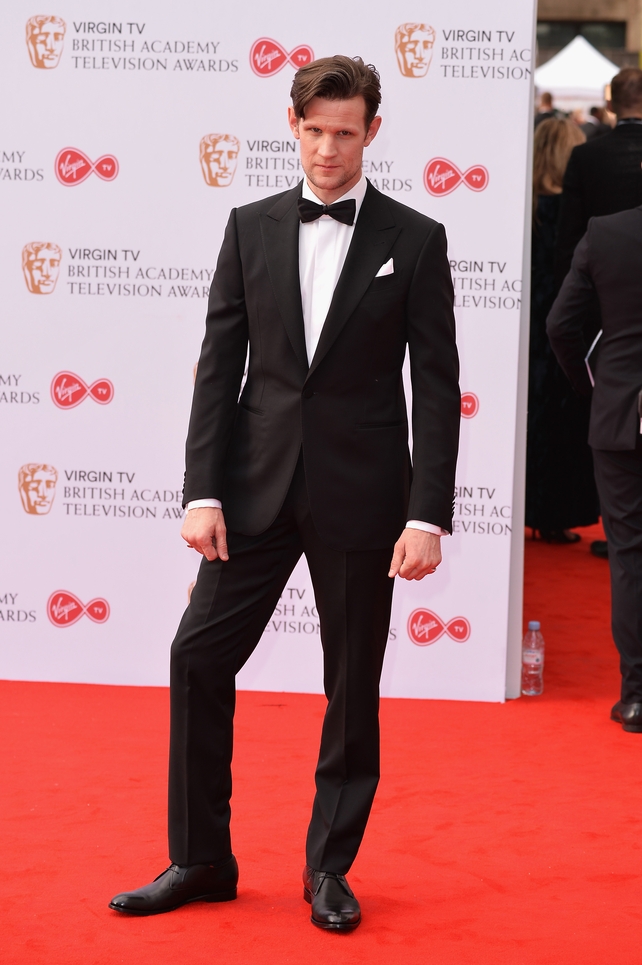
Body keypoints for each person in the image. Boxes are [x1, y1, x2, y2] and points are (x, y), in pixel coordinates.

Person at [109, 56, 460, 929]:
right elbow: (218, 368)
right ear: (291, 123)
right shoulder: (249, 226)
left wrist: (426, 510)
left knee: (351, 688)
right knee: (196, 658)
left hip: (365, 497)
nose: (329, 149)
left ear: (373, 132)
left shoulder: (414, 239)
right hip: (254, 491)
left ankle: (329, 870)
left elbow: (439, 384)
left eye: (346, 132)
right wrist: (202, 490)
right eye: (315, 130)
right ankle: (200, 858)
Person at [547, 206, 642, 733]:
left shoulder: (607, 233)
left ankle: (636, 697)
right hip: (619, 413)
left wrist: (595, 388)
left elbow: (561, 325)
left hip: (620, 413)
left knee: (629, 554)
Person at [555, 68, 642, 559]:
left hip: (608, 339)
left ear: (611, 103)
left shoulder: (587, 156)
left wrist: (593, 381)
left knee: (628, 545)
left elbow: (568, 247)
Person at [526, 119, 599, 542]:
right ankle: (554, 514)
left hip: (529, 334)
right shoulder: (580, 217)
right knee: (564, 427)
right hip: (568, 332)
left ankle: (532, 509)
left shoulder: (527, 213)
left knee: (533, 423)